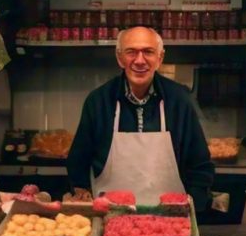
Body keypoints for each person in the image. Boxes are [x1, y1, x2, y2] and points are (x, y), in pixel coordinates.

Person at [67, 25, 214, 210]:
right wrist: (81, 193)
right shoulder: (98, 101)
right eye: (131, 52)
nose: (139, 60)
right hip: (110, 219)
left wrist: (191, 210)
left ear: (159, 58)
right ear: (119, 58)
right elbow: (78, 162)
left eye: (148, 52)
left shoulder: (179, 101)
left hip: (170, 222)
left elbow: (200, 165)